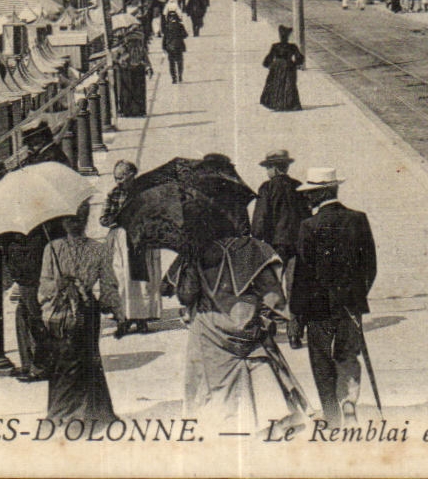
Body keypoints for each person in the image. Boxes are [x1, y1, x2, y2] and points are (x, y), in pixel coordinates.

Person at [172, 234, 289, 429]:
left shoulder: (193, 252)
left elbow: (186, 296)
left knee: (205, 377)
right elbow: (272, 293)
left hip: (209, 329)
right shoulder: (249, 248)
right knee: (259, 365)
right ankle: (266, 421)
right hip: (244, 322)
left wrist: (190, 266)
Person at [290, 167, 377, 427]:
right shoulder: (358, 219)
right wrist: (356, 295)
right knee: (348, 355)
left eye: (312, 193)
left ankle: (332, 417)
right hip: (350, 306)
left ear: (323, 192)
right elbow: (370, 266)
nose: (308, 198)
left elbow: (302, 276)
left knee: (321, 362)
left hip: (318, 310)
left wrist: (296, 315)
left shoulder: (308, 226)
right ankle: (348, 401)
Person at [39, 203, 119, 424]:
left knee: (86, 361)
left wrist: (110, 306)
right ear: (63, 222)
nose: (73, 224)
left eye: (78, 219)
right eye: (69, 219)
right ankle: (60, 413)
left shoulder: (98, 248)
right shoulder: (52, 248)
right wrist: (59, 284)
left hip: (85, 312)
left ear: (85, 221)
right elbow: (43, 285)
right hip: (60, 312)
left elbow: (108, 283)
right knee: (62, 362)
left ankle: (87, 413)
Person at [101, 161, 161, 337]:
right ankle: (124, 318)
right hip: (122, 238)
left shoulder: (146, 192)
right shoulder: (114, 194)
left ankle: (142, 318)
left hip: (142, 238)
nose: (119, 181)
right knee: (123, 278)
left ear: (132, 176)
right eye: (116, 178)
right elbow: (103, 219)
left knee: (144, 280)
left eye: (122, 177)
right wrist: (116, 218)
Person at [8, 221, 55, 382]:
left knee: (35, 320)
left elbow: (24, 248)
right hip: (27, 274)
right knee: (23, 316)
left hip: (31, 274)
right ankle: (29, 364)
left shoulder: (30, 226)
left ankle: (40, 367)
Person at [251, 149, 310, 262]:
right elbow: (307, 214)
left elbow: (260, 217)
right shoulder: (299, 186)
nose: (267, 171)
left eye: (268, 168)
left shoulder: (267, 187)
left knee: (276, 275)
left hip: (276, 243)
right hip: (299, 243)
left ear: (274, 168)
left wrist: (255, 237)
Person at [260, 25, 305, 112]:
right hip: (288, 66)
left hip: (277, 67)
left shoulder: (275, 46)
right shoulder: (292, 46)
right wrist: (295, 64)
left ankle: (276, 104)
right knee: (289, 85)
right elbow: (300, 58)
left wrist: (269, 65)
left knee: (276, 84)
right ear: (288, 37)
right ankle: (289, 104)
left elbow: (268, 58)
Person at [115, 28, 150, 118]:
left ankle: (129, 111)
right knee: (135, 91)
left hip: (129, 71)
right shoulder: (139, 48)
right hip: (134, 70)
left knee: (130, 91)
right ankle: (137, 111)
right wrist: (148, 67)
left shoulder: (124, 48)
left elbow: (117, 59)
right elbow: (146, 59)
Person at [161, 7, 188, 84]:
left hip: (170, 47)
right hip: (179, 46)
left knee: (171, 63)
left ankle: (174, 78)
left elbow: (164, 38)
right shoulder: (180, 25)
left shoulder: (166, 27)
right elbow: (185, 35)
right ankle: (180, 76)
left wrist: (164, 47)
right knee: (180, 62)